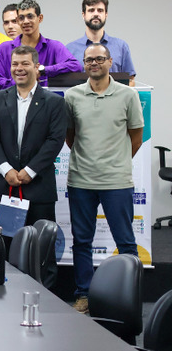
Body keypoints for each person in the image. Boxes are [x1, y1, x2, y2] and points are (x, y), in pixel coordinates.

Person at [65, 43, 143, 314]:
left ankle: (129, 297)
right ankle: (84, 294)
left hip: (116, 182)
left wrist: (116, 162)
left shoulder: (127, 95)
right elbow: (70, 136)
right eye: (89, 60)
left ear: (111, 62)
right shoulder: (72, 96)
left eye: (100, 59)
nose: (94, 63)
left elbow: (136, 137)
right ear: (84, 64)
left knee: (126, 243)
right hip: (81, 181)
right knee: (82, 242)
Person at [0, 46, 68, 235]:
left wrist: (30, 171)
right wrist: (6, 170)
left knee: (41, 246)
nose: (19, 68)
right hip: (7, 185)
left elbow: (55, 140)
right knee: (8, 246)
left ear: (37, 67)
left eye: (25, 63)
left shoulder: (54, 102)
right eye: (15, 64)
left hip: (39, 186)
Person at [0, 0, 82, 89]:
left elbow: (75, 66)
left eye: (30, 16)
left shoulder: (53, 47)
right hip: (13, 101)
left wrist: (43, 70)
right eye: (21, 18)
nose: (26, 21)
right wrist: (25, 80)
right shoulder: (4, 49)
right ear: (18, 20)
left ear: (40, 18)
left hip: (45, 101)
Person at [66, 0, 136, 85]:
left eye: (100, 10)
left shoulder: (121, 46)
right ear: (83, 15)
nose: (96, 14)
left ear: (106, 14)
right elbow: (64, 83)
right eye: (91, 10)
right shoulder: (70, 49)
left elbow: (130, 81)